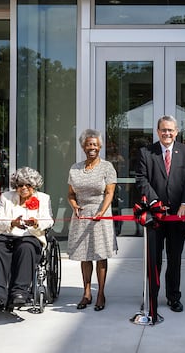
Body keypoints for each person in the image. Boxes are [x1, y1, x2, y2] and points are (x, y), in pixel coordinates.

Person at [135, 115, 185, 317]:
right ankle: (151, 296)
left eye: (170, 130)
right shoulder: (146, 152)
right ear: (157, 131)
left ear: (176, 131)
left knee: (174, 258)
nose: (167, 133)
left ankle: (174, 296)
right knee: (154, 260)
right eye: (163, 130)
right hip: (154, 217)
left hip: (179, 216)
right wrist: (155, 203)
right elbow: (141, 179)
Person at [0, 167, 53, 307]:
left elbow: (49, 220)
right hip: (7, 234)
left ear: (34, 186)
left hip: (30, 236)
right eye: (20, 185)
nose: (24, 188)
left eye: (28, 185)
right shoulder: (6, 197)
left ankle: (20, 292)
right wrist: (11, 223)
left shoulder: (43, 198)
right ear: (15, 186)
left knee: (26, 248)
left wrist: (36, 223)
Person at [67, 129, 117, 312]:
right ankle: (86, 293)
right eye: (89, 144)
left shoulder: (107, 167)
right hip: (81, 215)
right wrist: (74, 206)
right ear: (83, 146)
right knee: (84, 255)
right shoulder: (75, 168)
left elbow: (110, 193)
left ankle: (101, 293)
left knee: (100, 255)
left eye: (95, 144)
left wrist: (102, 212)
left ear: (100, 146)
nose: (92, 148)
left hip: (100, 214)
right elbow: (71, 194)